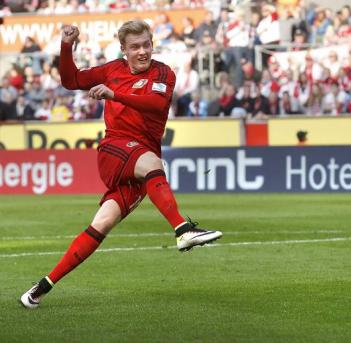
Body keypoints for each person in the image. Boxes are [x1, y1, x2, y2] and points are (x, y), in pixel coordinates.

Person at [20, 20, 223, 309]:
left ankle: (39, 289)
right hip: (115, 150)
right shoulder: (111, 69)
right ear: (123, 50)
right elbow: (71, 80)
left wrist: (115, 94)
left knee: (101, 223)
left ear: (153, 44)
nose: (142, 52)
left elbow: (154, 104)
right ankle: (183, 230)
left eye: (146, 45)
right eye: (135, 47)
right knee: (154, 165)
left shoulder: (164, 73)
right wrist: (67, 46)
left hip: (142, 158)